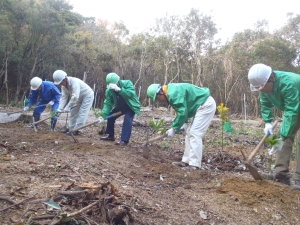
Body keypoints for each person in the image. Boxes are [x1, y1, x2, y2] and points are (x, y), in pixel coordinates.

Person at [248, 63, 300, 190]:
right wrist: (268, 122)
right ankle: (281, 173)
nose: (262, 90)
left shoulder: (288, 83)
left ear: (272, 77)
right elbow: (265, 104)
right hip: (293, 107)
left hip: (294, 106)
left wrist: (282, 138)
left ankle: (299, 178)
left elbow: (292, 111)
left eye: (263, 87)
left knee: (285, 134)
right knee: (285, 134)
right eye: (259, 88)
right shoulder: (263, 85)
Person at [147, 83, 216, 171]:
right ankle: (186, 161)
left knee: (195, 133)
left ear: (160, 92)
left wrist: (174, 128)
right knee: (188, 133)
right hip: (199, 106)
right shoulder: (171, 92)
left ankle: (195, 165)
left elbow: (182, 112)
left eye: (157, 98)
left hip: (206, 105)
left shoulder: (173, 94)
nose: (159, 101)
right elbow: (184, 108)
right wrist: (184, 123)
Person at [99, 73, 140, 146]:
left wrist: (120, 90)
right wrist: (103, 115)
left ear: (118, 81)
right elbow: (108, 104)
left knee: (127, 119)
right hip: (121, 107)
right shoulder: (109, 90)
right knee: (110, 116)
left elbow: (131, 94)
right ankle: (110, 136)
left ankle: (124, 140)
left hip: (131, 106)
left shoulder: (127, 83)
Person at [53, 70, 94, 136]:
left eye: (61, 82)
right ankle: (70, 129)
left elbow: (75, 96)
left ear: (65, 79)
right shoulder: (63, 86)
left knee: (82, 112)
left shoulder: (74, 82)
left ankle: (77, 130)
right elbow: (64, 97)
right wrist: (59, 109)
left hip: (87, 95)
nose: (61, 84)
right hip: (78, 96)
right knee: (74, 112)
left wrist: (68, 106)